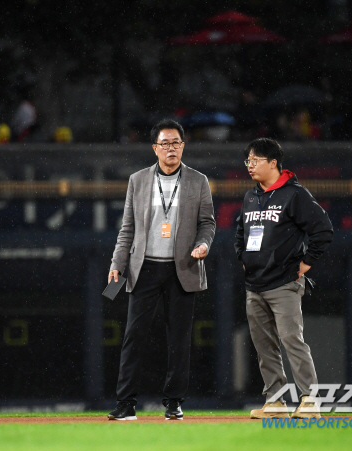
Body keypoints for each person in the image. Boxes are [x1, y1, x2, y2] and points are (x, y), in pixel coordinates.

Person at [107, 119, 216, 421]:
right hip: (145, 268)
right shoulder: (138, 180)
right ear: (155, 148)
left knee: (179, 338)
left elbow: (207, 223)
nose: (171, 148)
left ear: (183, 146)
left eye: (176, 143)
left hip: (182, 268)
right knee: (133, 336)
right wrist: (117, 262)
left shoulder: (198, 180)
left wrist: (204, 244)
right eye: (165, 143)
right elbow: (127, 228)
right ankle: (126, 404)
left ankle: (174, 402)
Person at [234, 138, 333, 420]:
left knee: (292, 340)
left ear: (273, 163)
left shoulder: (295, 195)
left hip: (284, 283)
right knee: (265, 346)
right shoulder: (250, 197)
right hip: (255, 284)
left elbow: (323, 229)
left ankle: (310, 401)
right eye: (248, 161)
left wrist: (306, 263)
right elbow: (240, 232)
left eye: (255, 160)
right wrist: (242, 257)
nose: (250, 165)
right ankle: (275, 402)